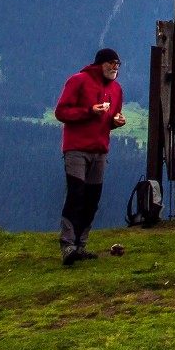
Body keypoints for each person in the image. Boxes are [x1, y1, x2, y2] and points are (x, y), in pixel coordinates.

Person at [54, 47, 127, 266]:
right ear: (99, 64)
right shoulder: (78, 81)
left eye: (118, 64)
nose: (115, 67)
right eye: (111, 63)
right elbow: (61, 112)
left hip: (100, 149)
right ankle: (67, 244)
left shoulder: (116, 90)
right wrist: (88, 111)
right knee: (76, 194)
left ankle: (80, 244)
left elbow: (110, 119)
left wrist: (116, 122)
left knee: (92, 199)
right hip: (76, 148)